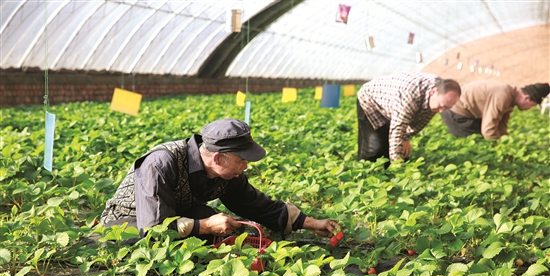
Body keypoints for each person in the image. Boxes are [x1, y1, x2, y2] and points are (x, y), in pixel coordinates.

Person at [100, 118, 340, 243]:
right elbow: (153, 229)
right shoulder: (161, 164)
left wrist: (311, 223)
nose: (246, 166)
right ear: (218, 158)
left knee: (207, 217)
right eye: (242, 160)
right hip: (130, 222)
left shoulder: (228, 174)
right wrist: (205, 226)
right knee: (139, 240)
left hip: (173, 217)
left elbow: (255, 204)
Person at [356, 71, 461, 164]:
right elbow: (397, 130)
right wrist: (398, 167)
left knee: (398, 149)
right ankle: (364, 171)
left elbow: (421, 122)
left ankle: (388, 173)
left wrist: (405, 138)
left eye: (447, 107)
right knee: (375, 149)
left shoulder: (438, 96)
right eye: (442, 105)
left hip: (393, 105)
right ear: (433, 92)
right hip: (371, 101)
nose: (442, 110)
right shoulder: (410, 96)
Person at [441, 81, 550, 139]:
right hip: (456, 113)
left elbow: (501, 126)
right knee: (478, 142)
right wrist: (498, 148)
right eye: (532, 105)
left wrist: (505, 140)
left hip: (467, 113)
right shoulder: (503, 96)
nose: (529, 108)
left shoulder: (511, 97)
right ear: (527, 98)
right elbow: (488, 129)